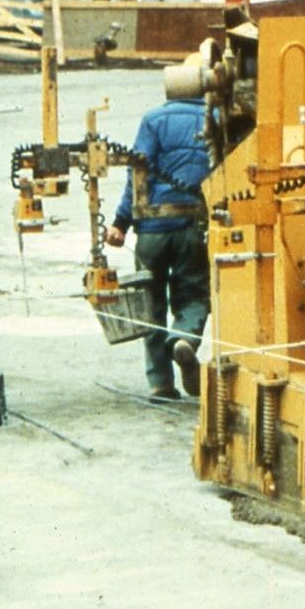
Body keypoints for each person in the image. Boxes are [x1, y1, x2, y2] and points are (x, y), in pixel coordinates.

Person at [105, 94, 210, 399]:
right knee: (194, 293)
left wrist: (121, 222)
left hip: (151, 230)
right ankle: (184, 340)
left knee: (150, 303)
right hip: (193, 227)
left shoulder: (153, 119)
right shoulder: (217, 117)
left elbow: (137, 174)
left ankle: (161, 383)